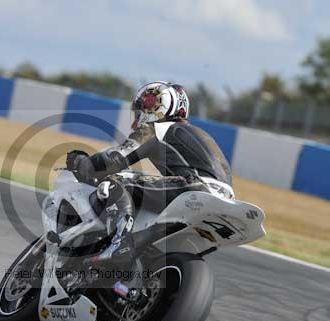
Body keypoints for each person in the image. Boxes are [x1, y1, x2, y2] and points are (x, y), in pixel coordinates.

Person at [65, 82, 233, 289]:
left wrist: (84, 163)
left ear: (159, 105)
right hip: (224, 199)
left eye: (146, 104)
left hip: (194, 189)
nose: (140, 112)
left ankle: (120, 243)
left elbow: (117, 158)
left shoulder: (158, 128)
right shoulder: (200, 135)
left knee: (118, 180)